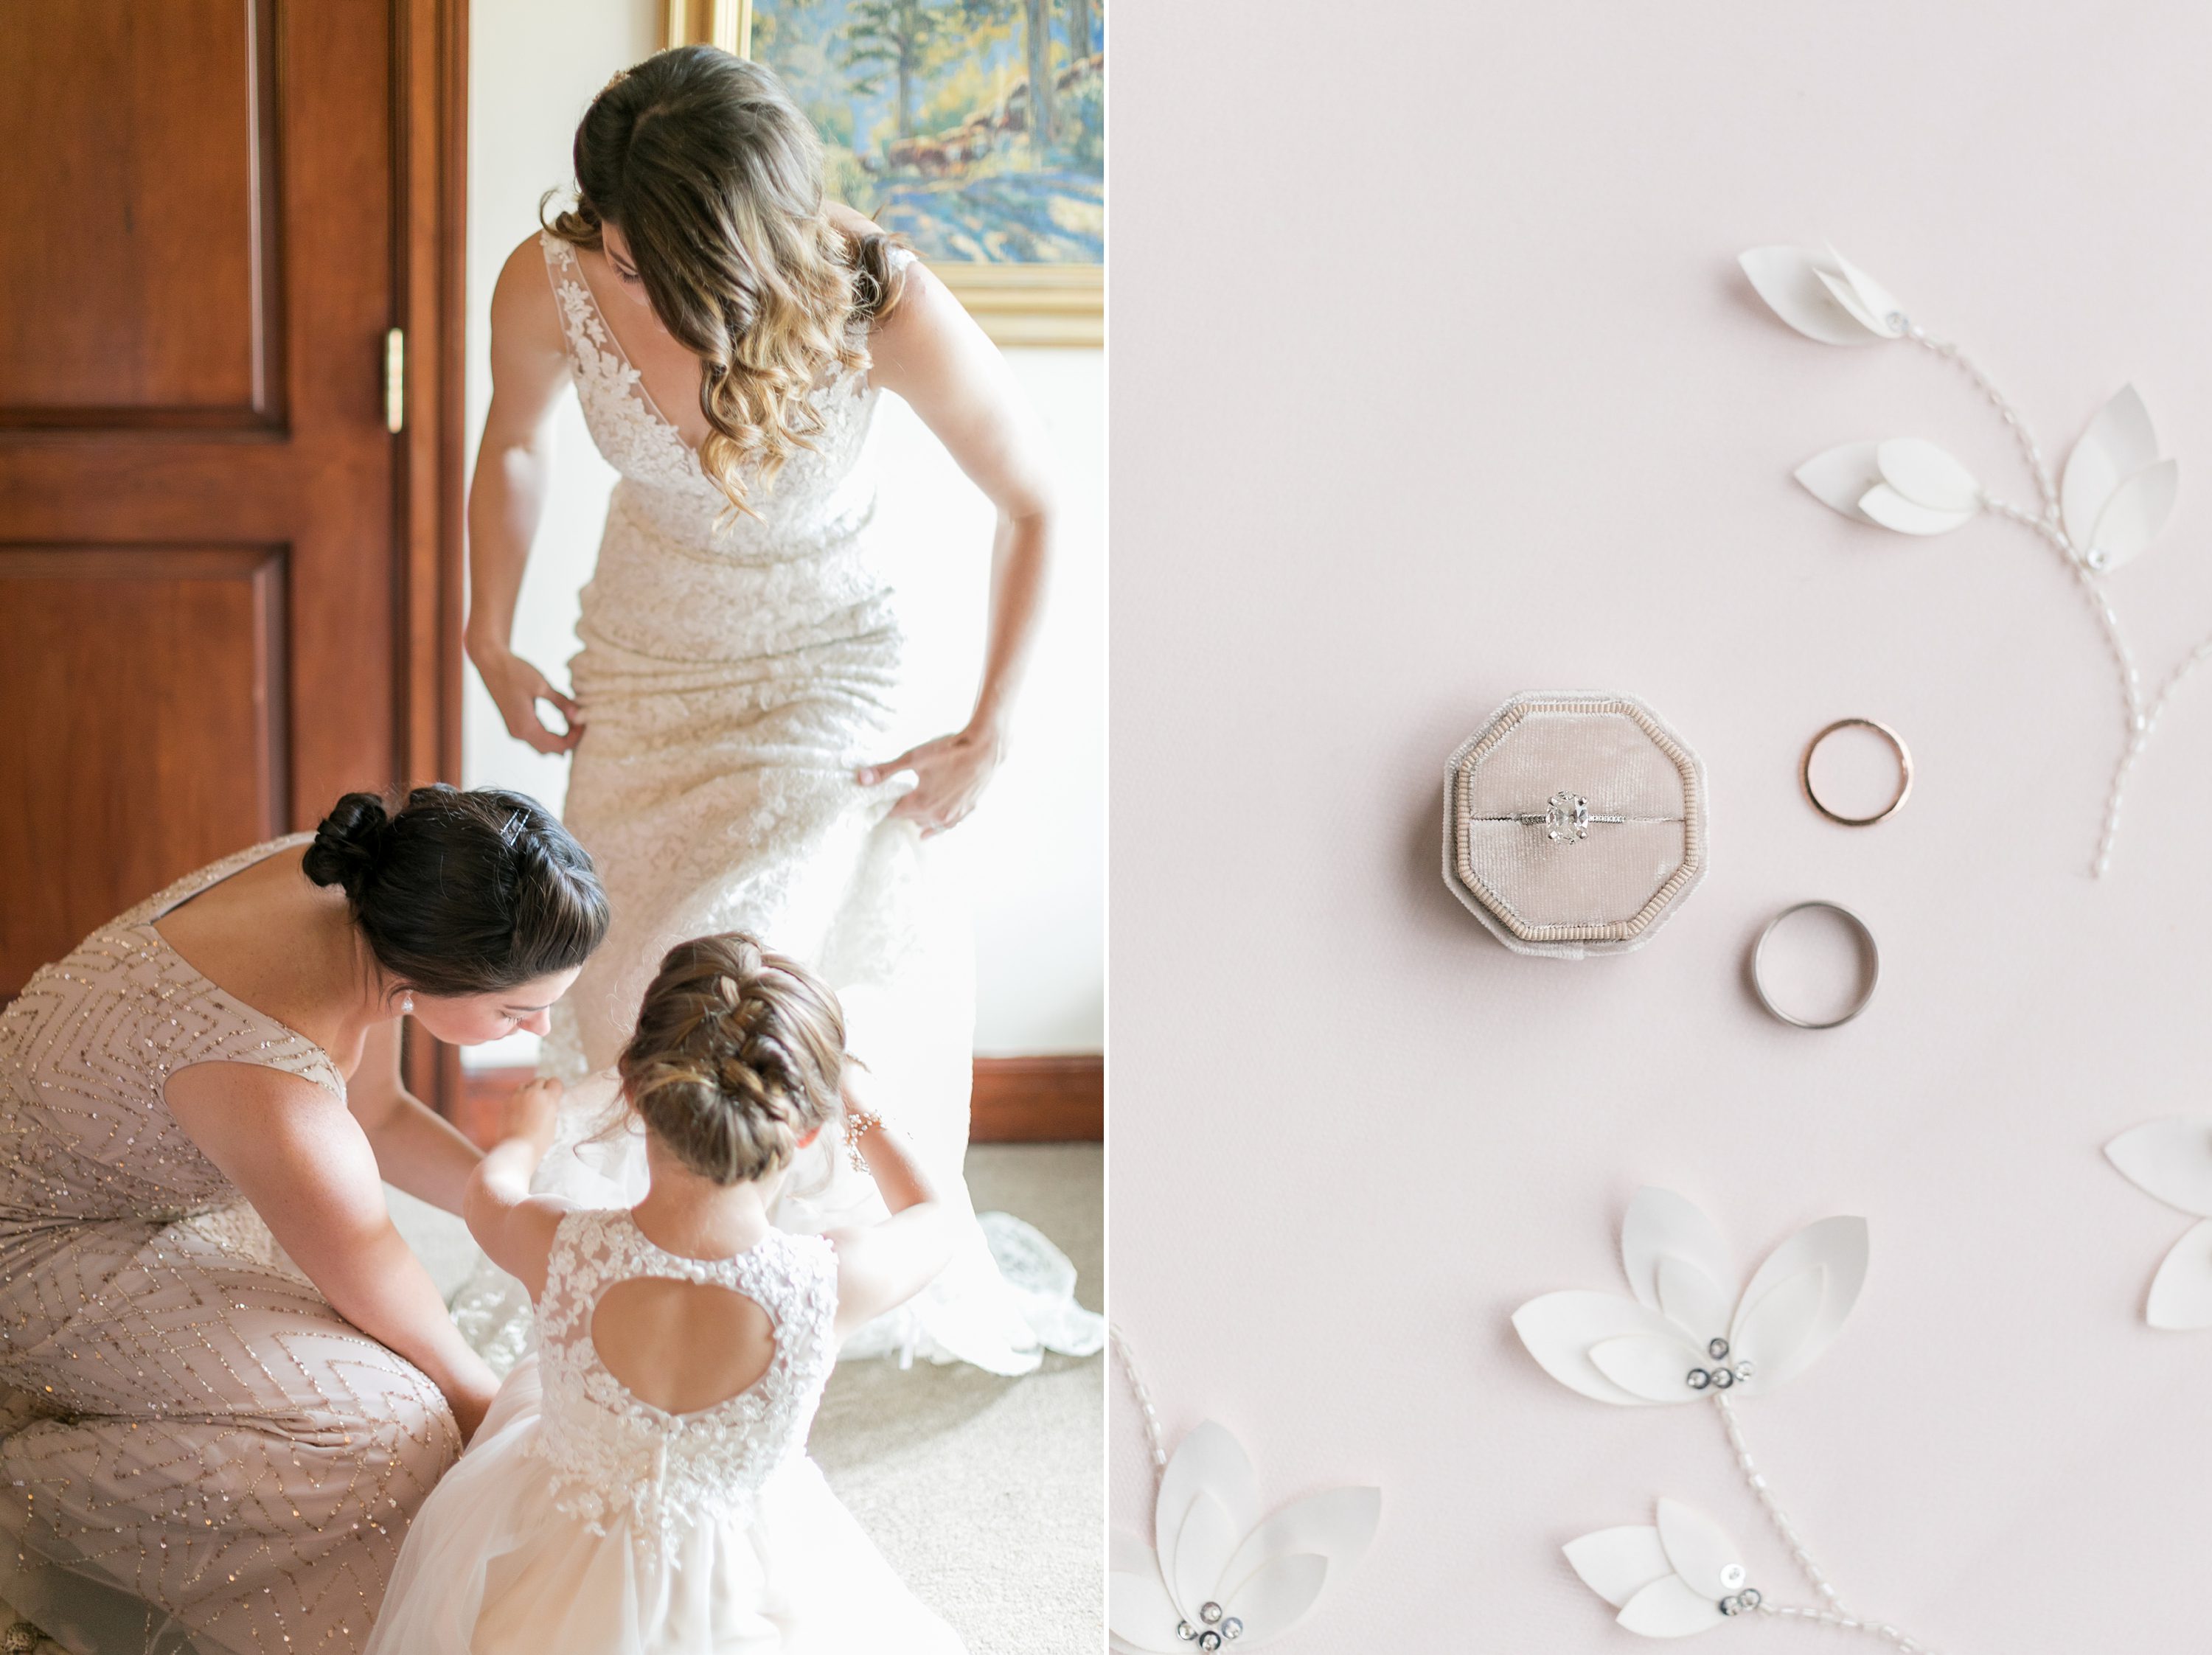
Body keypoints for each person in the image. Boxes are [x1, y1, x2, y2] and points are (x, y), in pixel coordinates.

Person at [459, 45, 1097, 1373]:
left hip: (825, 672)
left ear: (744, 244)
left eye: (654, 265)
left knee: (754, 974)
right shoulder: (557, 276)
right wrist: (488, 628)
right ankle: (650, 1253)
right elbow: (513, 439)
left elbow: (1035, 498)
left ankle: (781, 1276)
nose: (626, 280)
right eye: (618, 254)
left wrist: (993, 726)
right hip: (643, 656)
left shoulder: (871, 292)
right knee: (627, 976)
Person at [0, 786, 609, 1654]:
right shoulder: (273, 1085)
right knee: (395, 1429)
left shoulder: (367, 882)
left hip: (146, 1165)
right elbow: (415, 1322)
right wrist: (513, 1433)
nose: (541, 1026)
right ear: (431, 971)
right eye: (517, 1011)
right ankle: (29, 1495)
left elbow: (385, 1115)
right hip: (39, 1240)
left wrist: (527, 1214)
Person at [366, 935, 964, 1653]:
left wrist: (526, 1134)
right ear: (807, 1131)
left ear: (636, 1094)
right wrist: (857, 1104)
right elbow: (937, 1218)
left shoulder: (559, 1245)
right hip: (744, 1581)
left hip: (559, 1588)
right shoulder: (834, 1279)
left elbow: (487, 1193)